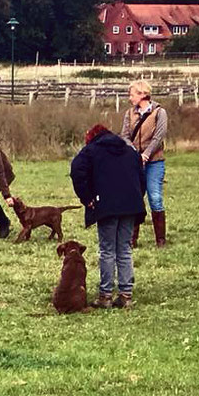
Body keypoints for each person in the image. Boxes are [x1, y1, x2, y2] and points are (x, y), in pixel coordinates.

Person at [70, 124, 146, 309]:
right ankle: (126, 295)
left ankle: (105, 296)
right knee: (125, 249)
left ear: (91, 137)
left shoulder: (90, 152)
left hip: (106, 206)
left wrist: (87, 198)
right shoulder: (129, 151)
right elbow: (141, 178)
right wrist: (136, 198)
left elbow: (76, 171)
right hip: (130, 205)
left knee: (107, 250)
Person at [120, 80, 168, 248]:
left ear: (142, 94)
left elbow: (159, 136)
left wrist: (146, 155)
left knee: (155, 197)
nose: (130, 97)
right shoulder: (129, 114)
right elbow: (124, 136)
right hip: (134, 162)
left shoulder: (159, 112)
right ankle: (132, 239)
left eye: (132, 94)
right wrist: (134, 152)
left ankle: (160, 240)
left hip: (154, 162)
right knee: (135, 198)